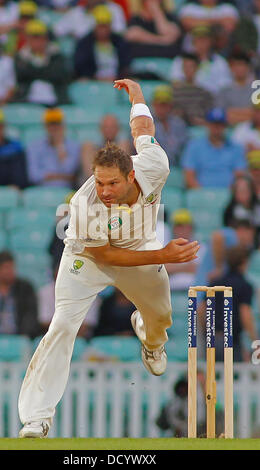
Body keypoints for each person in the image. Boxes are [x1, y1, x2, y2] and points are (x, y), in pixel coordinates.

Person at [18, 78, 200, 438]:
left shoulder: (154, 165)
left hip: (138, 249)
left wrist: (138, 96)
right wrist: (164, 254)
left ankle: (151, 341)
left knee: (160, 316)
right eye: (99, 183)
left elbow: (143, 129)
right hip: (87, 260)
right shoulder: (83, 207)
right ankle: (36, 418)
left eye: (112, 184)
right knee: (61, 327)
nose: (104, 191)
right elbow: (106, 255)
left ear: (131, 174)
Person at [207, 246, 257, 362]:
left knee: (212, 376)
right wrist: (255, 341)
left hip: (213, 338)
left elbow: (201, 309)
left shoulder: (216, 283)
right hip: (231, 340)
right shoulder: (245, 285)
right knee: (232, 376)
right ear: (244, 262)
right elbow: (245, 313)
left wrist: (207, 332)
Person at [181, 108, 247, 189]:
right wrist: (202, 194)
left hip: (229, 193)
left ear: (225, 126)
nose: (216, 128)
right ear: (207, 125)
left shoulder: (236, 148)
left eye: (220, 124)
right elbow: (189, 175)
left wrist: (232, 194)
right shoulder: (194, 146)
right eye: (214, 124)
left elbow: (239, 176)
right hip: (202, 193)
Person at [14, 19, 71, 106]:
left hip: (56, 101)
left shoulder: (56, 54)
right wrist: (46, 70)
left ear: (46, 38)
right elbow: (21, 76)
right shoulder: (21, 56)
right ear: (28, 39)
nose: (37, 41)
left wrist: (33, 71)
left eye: (40, 37)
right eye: (34, 37)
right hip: (28, 101)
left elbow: (58, 75)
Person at [26, 108, 81, 188]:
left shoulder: (74, 146)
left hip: (66, 189)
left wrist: (60, 147)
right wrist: (61, 176)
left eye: (57, 125)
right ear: (45, 127)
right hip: (41, 190)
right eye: (50, 125)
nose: (54, 129)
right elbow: (33, 176)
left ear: (63, 126)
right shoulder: (34, 147)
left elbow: (70, 172)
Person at [74, 4, 131, 81]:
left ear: (110, 26)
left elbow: (125, 65)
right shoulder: (84, 44)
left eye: (105, 26)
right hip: (93, 81)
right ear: (94, 26)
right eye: (100, 26)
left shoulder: (119, 42)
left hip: (116, 81)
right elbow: (81, 66)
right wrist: (95, 77)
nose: (103, 30)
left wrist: (118, 77)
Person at [170, 25, 232, 95]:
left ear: (211, 42)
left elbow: (225, 86)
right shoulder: (180, 60)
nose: (201, 43)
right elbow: (176, 82)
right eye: (198, 40)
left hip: (213, 100)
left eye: (204, 40)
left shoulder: (220, 62)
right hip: (187, 98)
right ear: (193, 42)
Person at [194, 218, 256, 288]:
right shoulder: (232, 234)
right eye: (251, 234)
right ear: (242, 230)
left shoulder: (242, 247)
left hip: (213, 285)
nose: (251, 238)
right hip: (205, 282)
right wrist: (219, 268)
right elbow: (217, 236)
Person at [81, 113, 132, 182]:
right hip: (93, 183)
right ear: (100, 129)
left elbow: (122, 171)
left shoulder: (123, 145)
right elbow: (89, 174)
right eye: (106, 127)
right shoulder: (90, 147)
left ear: (118, 128)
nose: (109, 130)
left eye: (112, 127)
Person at [165, 209, 206, 291]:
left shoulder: (202, 248)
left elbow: (202, 270)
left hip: (195, 291)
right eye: (178, 226)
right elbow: (163, 269)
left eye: (185, 226)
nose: (181, 229)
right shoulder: (167, 247)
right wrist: (186, 267)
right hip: (171, 291)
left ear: (191, 228)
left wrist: (175, 267)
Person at [172, 52, 213, 126]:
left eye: (191, 66)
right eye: (185, 66)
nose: (188, 70)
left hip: (200, 128)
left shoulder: (205, 93)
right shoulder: (174, 92)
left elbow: (210, 115)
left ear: (197, 68)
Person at [152, 84, 188, 166]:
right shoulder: (145, 123)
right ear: (153, 104)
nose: (162, 108)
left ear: (170, 105)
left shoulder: (179, 124)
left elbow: (185, 149)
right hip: (152, 169)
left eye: (165, 104)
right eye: (159, 104)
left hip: (176, 167)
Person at [53, 0, 127, 40]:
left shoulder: (114, 9)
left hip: (110, 49)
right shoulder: (76, 12)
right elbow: (56, 30)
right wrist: (71, 35)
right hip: (84, 54)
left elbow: (120, 31)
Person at [215, 53, 255, 126]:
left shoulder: (256, 89)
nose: (239, 68)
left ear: (248, 67)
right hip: (229, 129)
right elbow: (223, 114)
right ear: (231, 68)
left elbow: (256, 115)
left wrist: (234, 113)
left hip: (252, 130)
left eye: (241, 65)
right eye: (236, 65)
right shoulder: (224, 90)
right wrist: (248, 113)